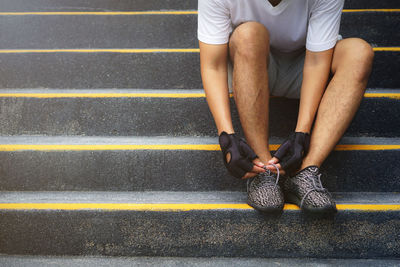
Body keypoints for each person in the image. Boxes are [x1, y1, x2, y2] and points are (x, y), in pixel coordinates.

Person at [198, 0, 374, 214]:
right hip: (250, 67)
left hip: (307, 68)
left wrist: (302, 132)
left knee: (359, 52)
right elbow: (213, 65)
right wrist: (227, 137)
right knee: (249, 34)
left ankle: (306, 171)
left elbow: (318, 61)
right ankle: (263, 171)